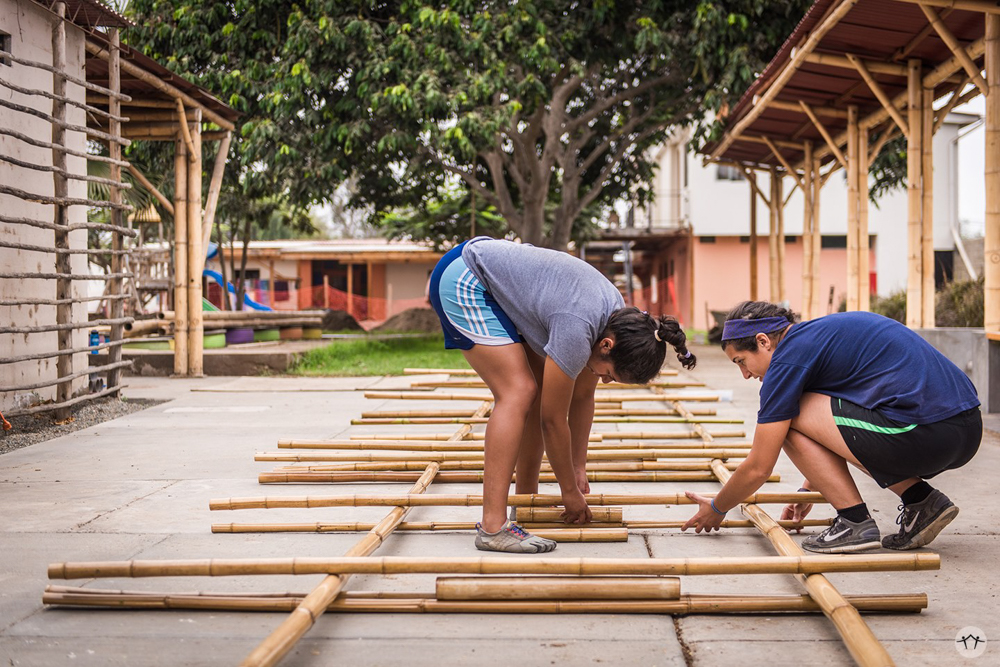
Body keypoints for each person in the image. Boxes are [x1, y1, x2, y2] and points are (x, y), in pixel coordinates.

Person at [429, 237, 696, 553]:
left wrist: (578, 466)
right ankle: (492, 527)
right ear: (606, 347)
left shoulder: (618, 322)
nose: (604, 382)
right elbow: (553, 421)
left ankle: (526, 503)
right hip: (466, 276)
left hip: (498, 280)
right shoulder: (578, 327)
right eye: (609, 374)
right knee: (519, 392)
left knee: (540, 388)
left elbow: (582, 398)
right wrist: (569, 490)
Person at [682, 301, 981, 553]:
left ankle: (854, 521)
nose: (745, 374)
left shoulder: (787, 361)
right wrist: (810, 486)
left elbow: (760, 466)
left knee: (786, 417)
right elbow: (838, 429)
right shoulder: (819, 337)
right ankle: (922, 502)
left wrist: (717, 507)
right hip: (964, 429)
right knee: (798, 410)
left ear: (763, 341)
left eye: (742, 361)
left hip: (924, 431)